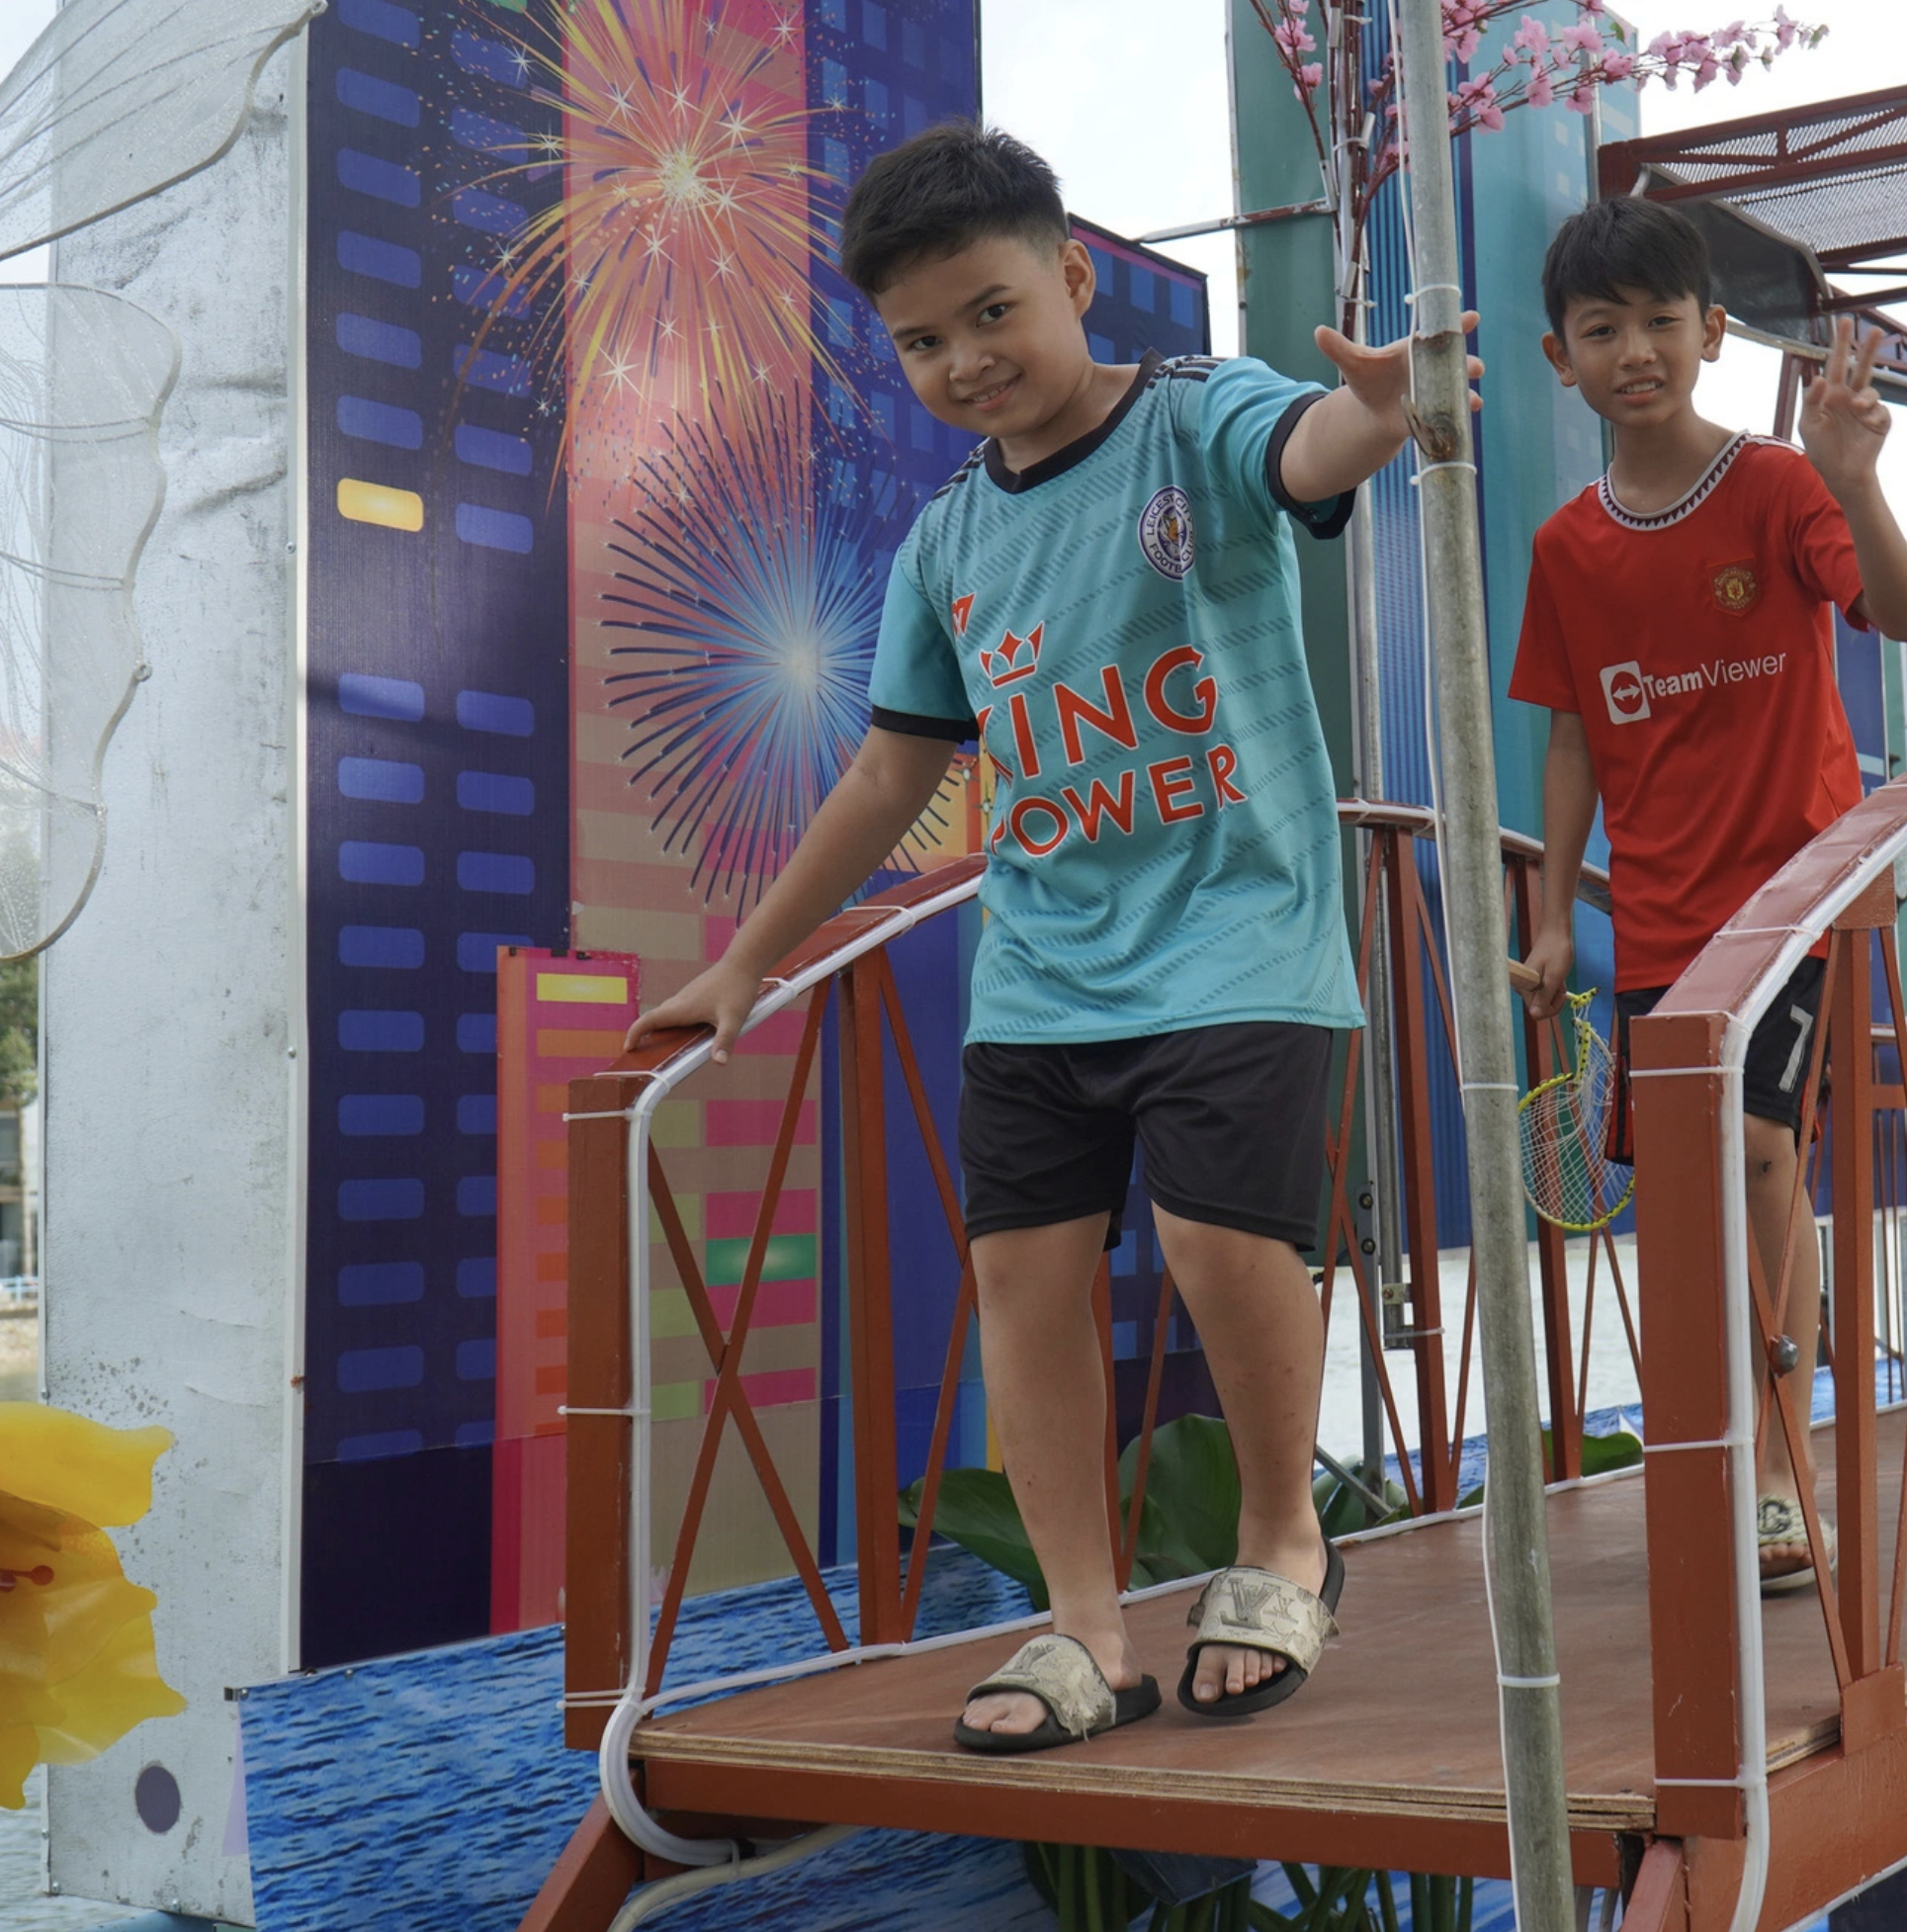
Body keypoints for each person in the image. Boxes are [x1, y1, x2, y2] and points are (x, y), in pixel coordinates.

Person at [625, 123, 1475, 1750]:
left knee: (1230, 1249)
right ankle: (1080, 1624)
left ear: (1074, 277)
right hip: (1045, 972)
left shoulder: (1189, 415)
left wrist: (1379, 407)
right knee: (1021, 1284)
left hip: (1242, 933)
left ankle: (1283, 1539)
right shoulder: (948, 541)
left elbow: (1305, 453)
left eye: (993, 312)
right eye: (923, 341)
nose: (964, 361)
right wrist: (750, 956)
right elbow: (892, 771)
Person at [1509, 196, 1907, 1593]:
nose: (1635, 350)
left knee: (1757, 1153)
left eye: (1657, 322)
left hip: (1795, 894)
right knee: (1688, 1185)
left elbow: (1904, 611)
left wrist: (1855, 477)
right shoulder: (1568, 547)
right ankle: (1729, 1445)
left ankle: (1773, 1467)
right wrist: (1555, 910)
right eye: (1600, 329)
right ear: (1559, 357)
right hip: (1659, 919)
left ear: (1711, 331)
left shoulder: (1775, 485)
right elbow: (1572, 731)